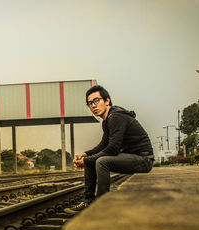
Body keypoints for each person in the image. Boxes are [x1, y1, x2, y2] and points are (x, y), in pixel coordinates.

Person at [65, 85, 154, 214]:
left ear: (107, 101)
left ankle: (102, 205)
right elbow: (103, 145)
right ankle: (88, 201)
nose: (93, 106)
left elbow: (112, 148)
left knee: (101, 161)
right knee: (91, 160)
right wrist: (85, 155)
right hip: (132, 157)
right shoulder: (108, 120)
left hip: (143, 159)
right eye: (90, 103)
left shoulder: (116, 117)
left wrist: (86, 160)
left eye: (96, 100)